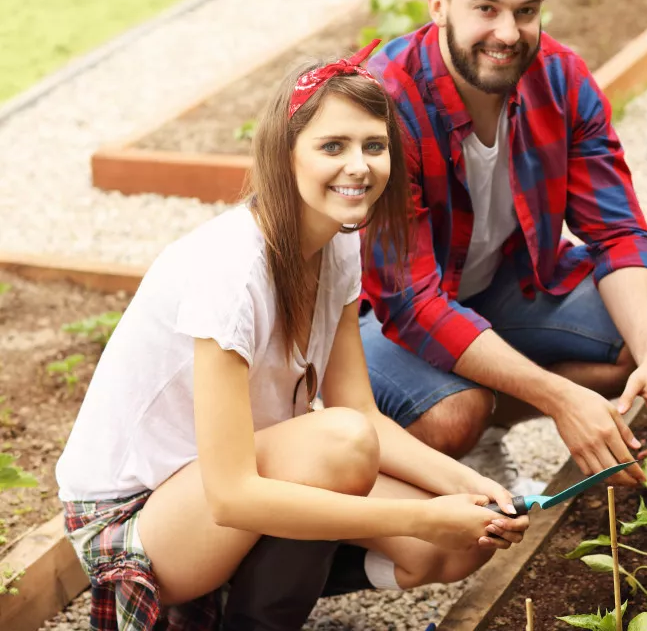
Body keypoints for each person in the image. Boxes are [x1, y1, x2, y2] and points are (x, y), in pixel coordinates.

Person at [54, 41, 528, 631]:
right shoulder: (231, 270)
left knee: (460, 544)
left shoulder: (338, 242)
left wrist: (471, 486)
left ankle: (246, 589)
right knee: (339, 446)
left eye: (373, 146)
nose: (358, 165)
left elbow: (364, 411)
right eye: (333, 145)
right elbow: (232, 495)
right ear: (286, 156)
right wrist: (420, 517)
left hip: (225, 482)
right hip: (137, 522)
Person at [357, 0, 647, 491]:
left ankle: (492, 419)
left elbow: (616, 231)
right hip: (376, 314)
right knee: (452, 412)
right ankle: (423, 445)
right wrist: (562, 398)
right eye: (484, 8)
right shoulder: (384, 102)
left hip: (500, 285)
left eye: (526, 9)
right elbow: (411, 304)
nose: (508, 33)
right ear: (438, 6)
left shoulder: (561, 79)